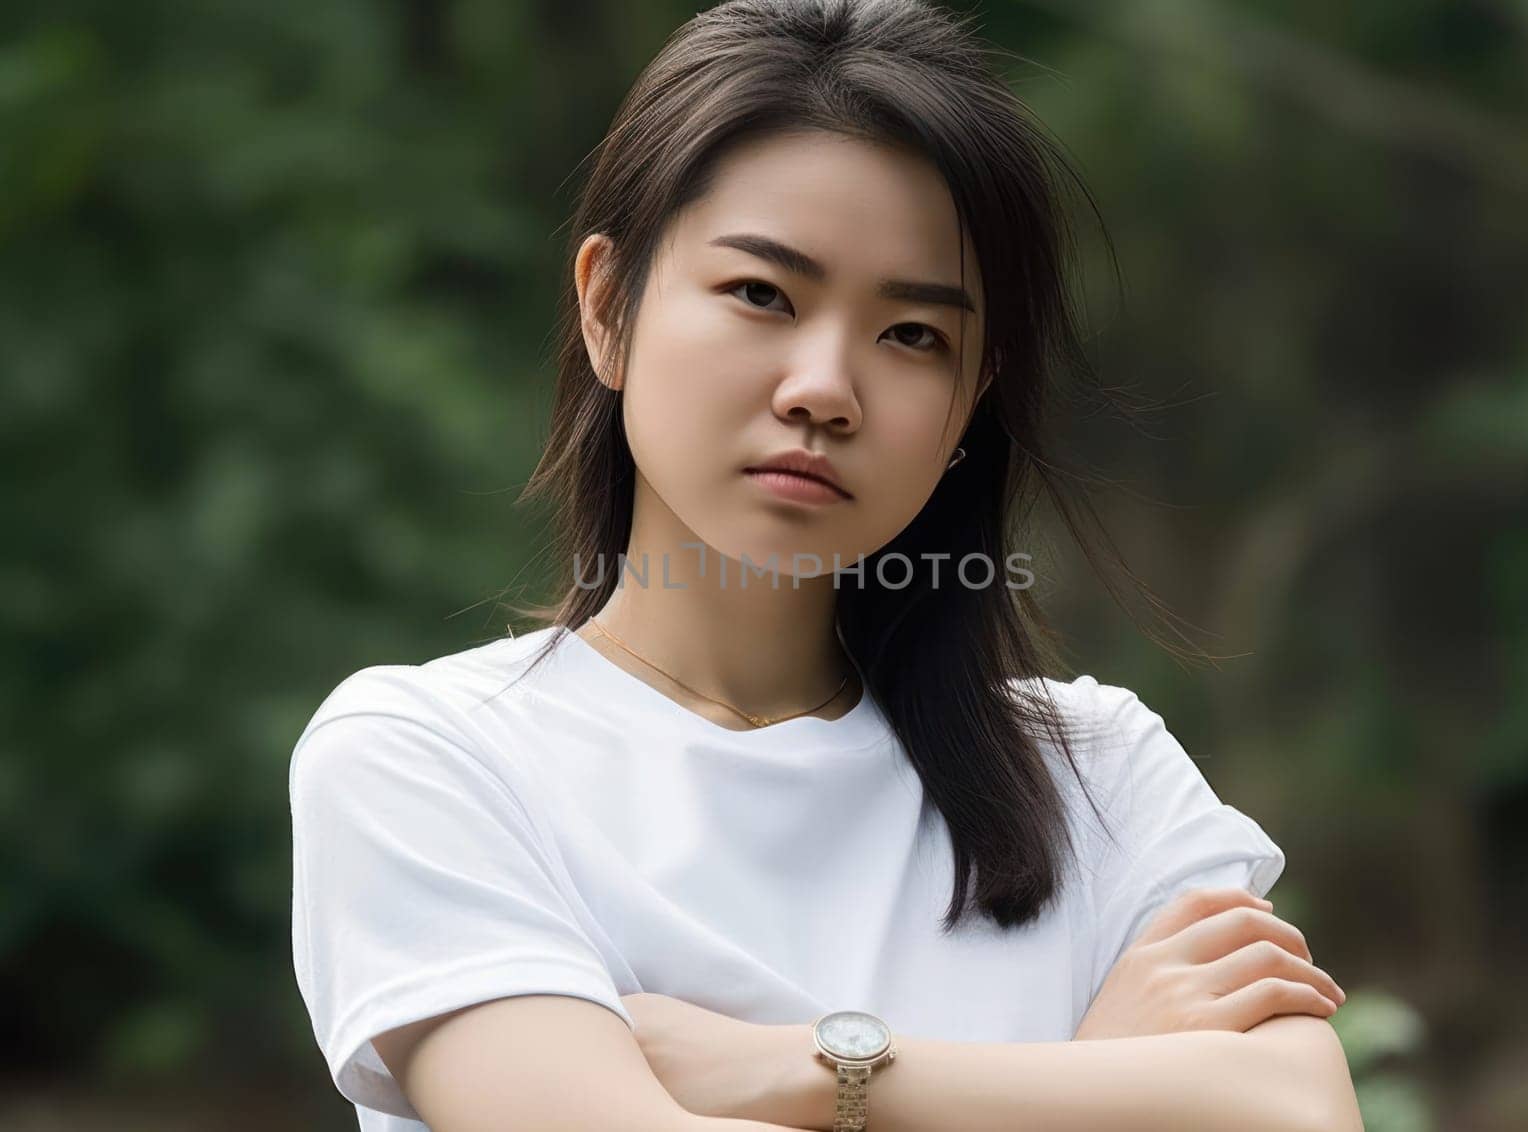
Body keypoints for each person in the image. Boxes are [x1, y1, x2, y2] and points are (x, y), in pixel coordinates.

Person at [289, 1, 1362, 1129]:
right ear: (608, 307)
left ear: (970, 398)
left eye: (913, 335)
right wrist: (1096, 1077)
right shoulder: (429, 760)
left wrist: (813, 1068)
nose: (822, 387)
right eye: (761, 294)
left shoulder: (1097, 776)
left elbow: (1301, 1114)